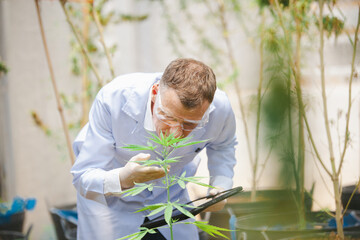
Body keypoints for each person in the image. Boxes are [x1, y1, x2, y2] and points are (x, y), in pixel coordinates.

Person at [71, 58, 237, 240]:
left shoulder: (220, 108)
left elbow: (224, 145)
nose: (175, 134)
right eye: (167, 116)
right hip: (108, 199)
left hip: (170, 196)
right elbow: (83, 176)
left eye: (190, 124)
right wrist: (122, 178)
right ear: (155, 93)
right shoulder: (114, 99)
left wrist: (221, 184)